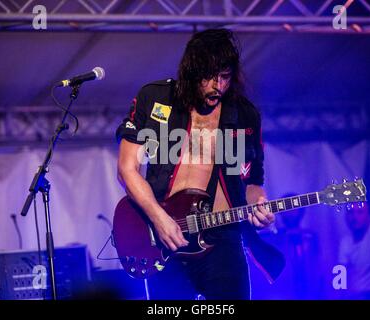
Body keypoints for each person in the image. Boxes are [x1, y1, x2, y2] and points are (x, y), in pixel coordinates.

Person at [115, 28, 282, 299]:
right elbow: (126, 169)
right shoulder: (155, 97)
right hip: (165, 239)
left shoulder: (244, 115)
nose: (218, 85)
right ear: (192, 72)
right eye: (209, 76)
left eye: (225, 76)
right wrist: (160, 219)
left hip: (223, 238)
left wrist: (259, 205)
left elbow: (253, 183)